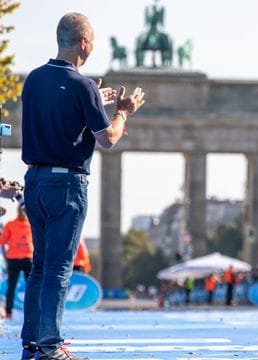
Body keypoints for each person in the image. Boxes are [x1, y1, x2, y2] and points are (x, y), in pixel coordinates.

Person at [19, 13, 146, 360]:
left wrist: (92, 99)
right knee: (60, 268)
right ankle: (50, 346)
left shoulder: (34, 80)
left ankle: (32, 342)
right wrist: (123, 112)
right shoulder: (82, 86)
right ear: (84, 43)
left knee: (40, 266)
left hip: (35, 181)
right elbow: (108, 139)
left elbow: (59, 111)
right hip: (67, 185)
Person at [0, 205, 33, 320]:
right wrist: (5, 257)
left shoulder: (32, 224)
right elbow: (2, 241)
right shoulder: (10, 224)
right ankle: (8, 312)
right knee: (11, 286)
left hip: (28, 259)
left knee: (32, 286)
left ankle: (32, 312)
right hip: (13, 259)